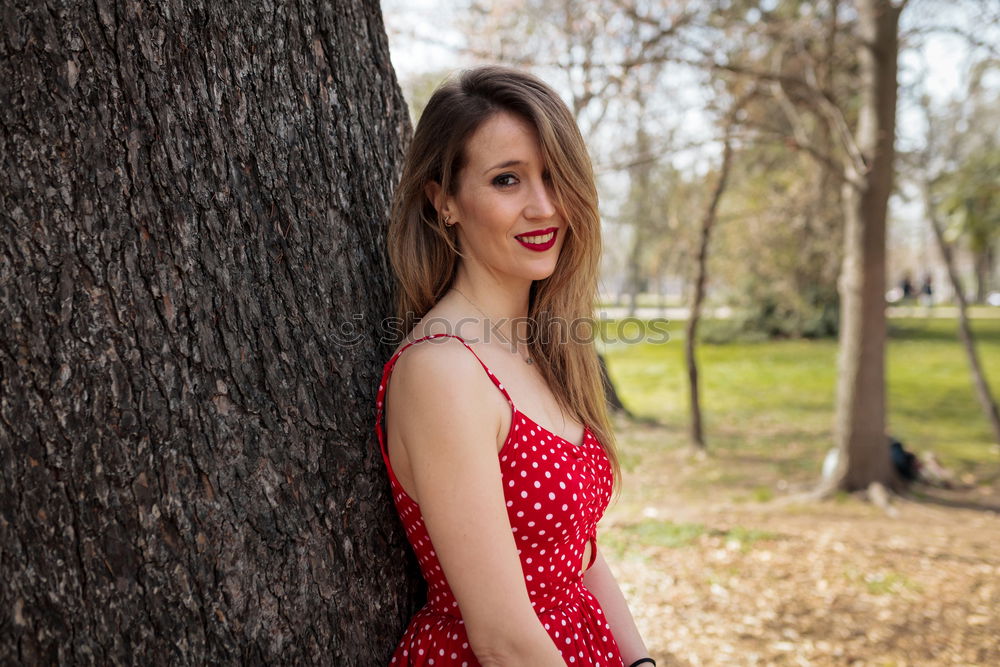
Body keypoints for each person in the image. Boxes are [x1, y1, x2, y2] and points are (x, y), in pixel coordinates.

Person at [375, 66, 651, 666]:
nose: (544, 207)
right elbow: (503, 639)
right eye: (507, 180)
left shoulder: (546, 352)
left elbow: (581, 558)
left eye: (555, 178)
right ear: (443, 201)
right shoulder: (443, 372)